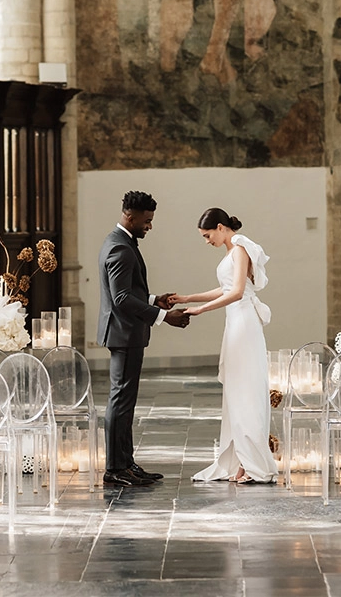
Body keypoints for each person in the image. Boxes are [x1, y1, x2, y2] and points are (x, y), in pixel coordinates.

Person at [173, 208, 278, 484]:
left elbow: (238, 291)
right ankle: (241, 460)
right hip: (235, 322)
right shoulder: (231, 251)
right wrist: (188, 297)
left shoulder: (241, 247)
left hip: (244, 323)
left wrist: (201, 310)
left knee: (246, 390)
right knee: (236, 391)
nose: (207, 241)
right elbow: (225, 287)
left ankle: (254, 464)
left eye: (208, 235)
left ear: (221, 227)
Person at [98, 190, 191, 488]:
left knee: (125, 402)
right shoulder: (120, 248)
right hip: (124, 333)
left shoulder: (120, 242)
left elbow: (128, 291)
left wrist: (154, 299)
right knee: (121, 402)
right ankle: (115, 468)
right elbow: (121, 298)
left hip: (127, 332)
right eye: (147, 221)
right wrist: (164, 317)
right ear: (130, 216)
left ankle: (126, 463)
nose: (149, 226)